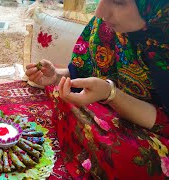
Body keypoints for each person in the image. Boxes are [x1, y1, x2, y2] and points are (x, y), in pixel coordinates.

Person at [26, 0, 169, 179]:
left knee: (128, 159)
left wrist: (111, 94)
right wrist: (56, 76)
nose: (100, 12)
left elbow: (164, 122)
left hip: (152, 124)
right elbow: (83, 72)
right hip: (108, 103)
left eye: (119, 2)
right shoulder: (107, 26)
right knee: (62, 92)